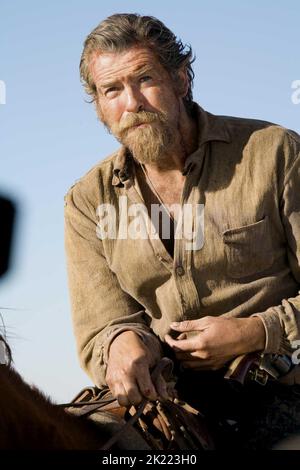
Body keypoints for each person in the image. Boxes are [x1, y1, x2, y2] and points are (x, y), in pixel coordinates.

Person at [64, 13, 300, 449]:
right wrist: (121, 345)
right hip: (174, 406)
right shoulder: (86, 201)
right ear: (99, 105)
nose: (131, 102)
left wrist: (257, 331)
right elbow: (101, 324)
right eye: (111, 90)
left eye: (145, 79)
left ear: (181, 79)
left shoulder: (275, 153)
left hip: (285, 389)